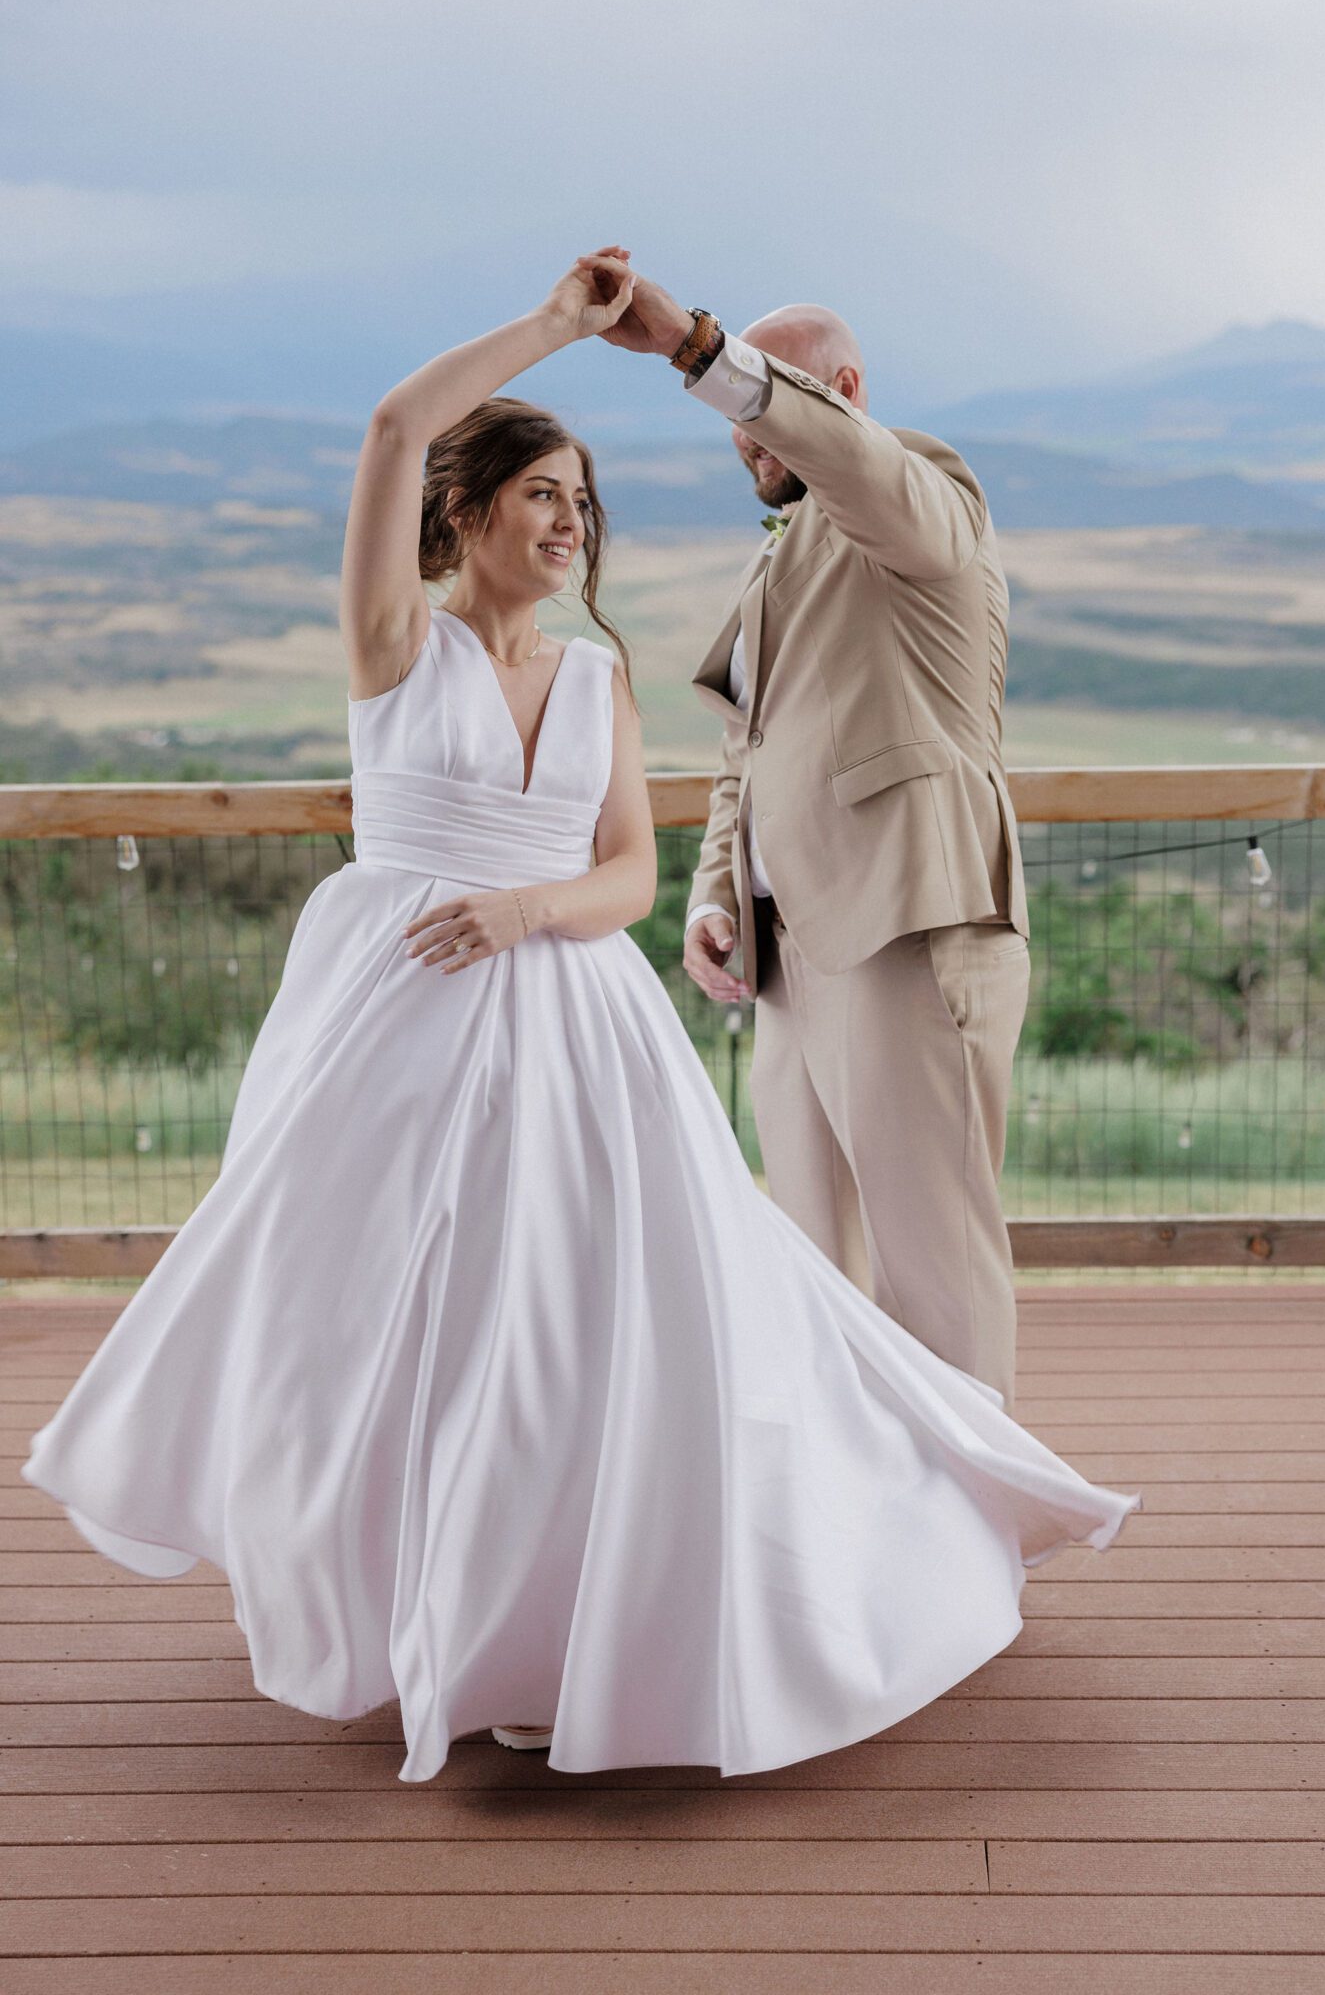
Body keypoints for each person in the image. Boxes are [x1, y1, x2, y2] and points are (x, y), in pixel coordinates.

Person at [22, 256, 1139, 1784]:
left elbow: (616, 865)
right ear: (465, 513)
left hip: (580, 1027)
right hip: (397, 1022)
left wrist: (529, 913)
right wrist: (558, 328)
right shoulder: (393, 653)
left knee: (579, 1329)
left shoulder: (666, 639)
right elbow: (391, 427)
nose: (568, 523)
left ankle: (894, 1523)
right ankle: (434, 1614)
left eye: (583, 504)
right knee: (394, 1327)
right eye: (542, 495)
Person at [587, 248, 1028, 1408]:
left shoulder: (920, 499)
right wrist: (713, 893)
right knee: (813, 1266)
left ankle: (976, 1541)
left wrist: (697, 349)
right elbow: (751, 751)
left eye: (771, 402)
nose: (748, 433)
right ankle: (860, 1534)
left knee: (933, 1264)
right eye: (738, 412)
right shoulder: (782, 556)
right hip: (790, 961)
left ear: (848, 391)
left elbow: (843, 457)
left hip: (907, 929)